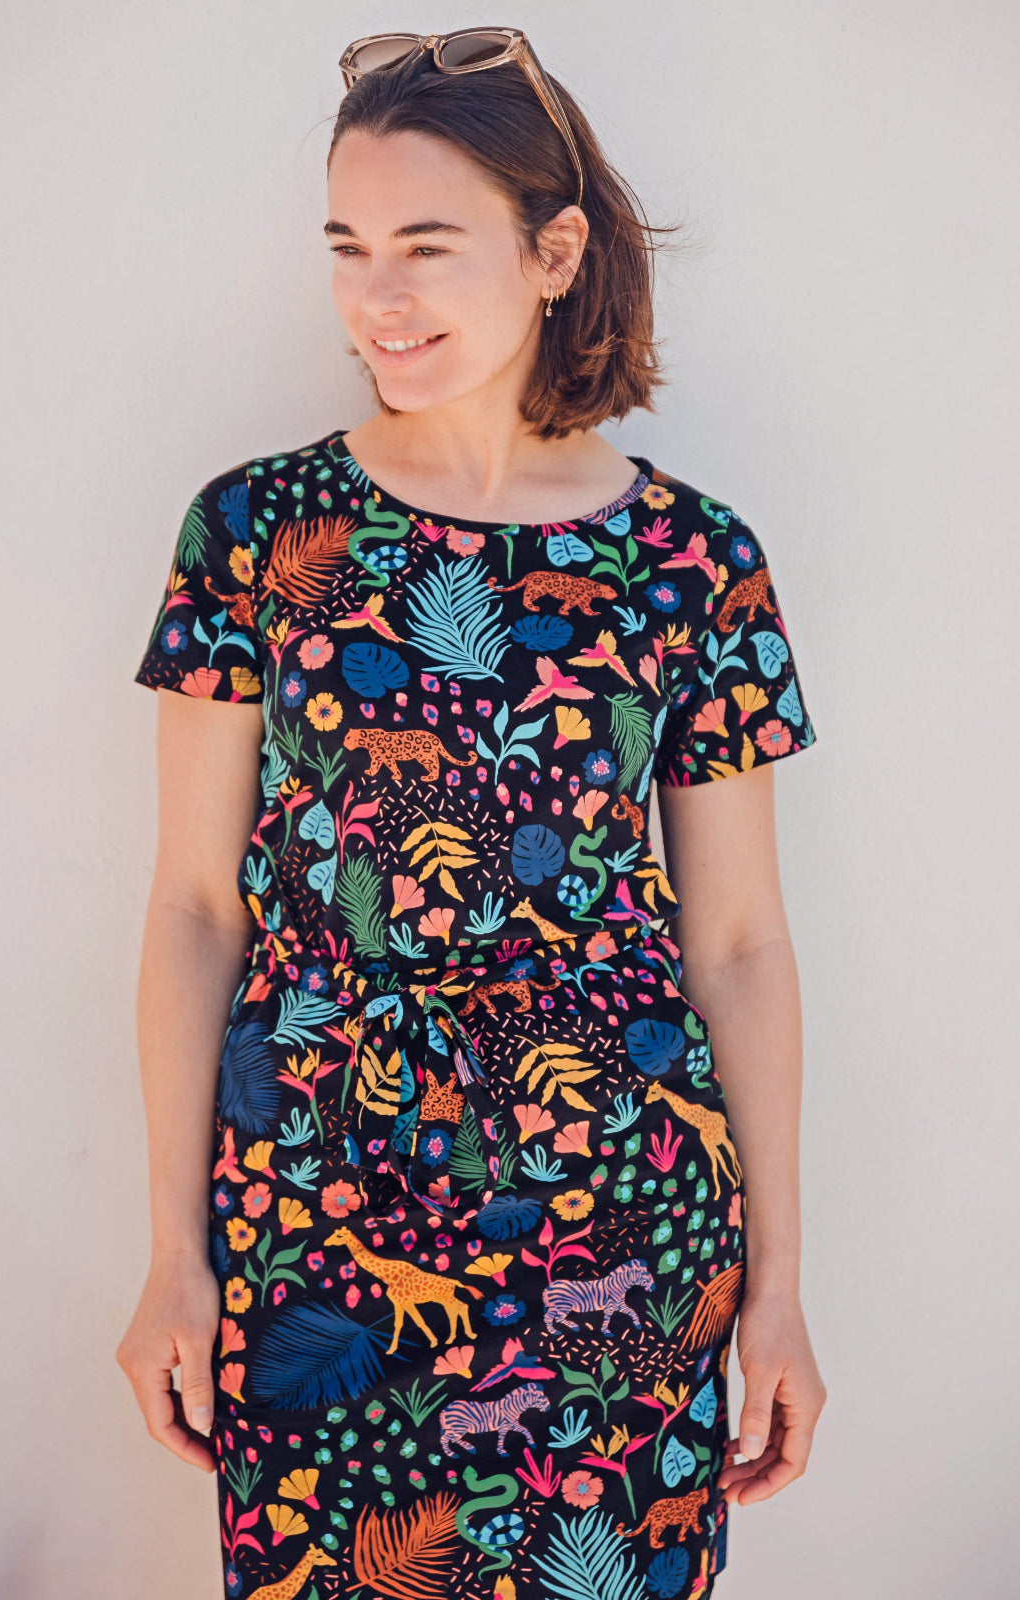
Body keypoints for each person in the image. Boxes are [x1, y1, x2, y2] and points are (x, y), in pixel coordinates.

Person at [117, 29, 826, 1600]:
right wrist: (176, 1253)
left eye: (425, 249)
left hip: (622, 1226)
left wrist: (778, 1288)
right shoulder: (256, 534)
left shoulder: (697, 563)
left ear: (553, 250)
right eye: (348, 249)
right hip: (316, 1198)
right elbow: (193, 910)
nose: (378, 298)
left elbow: (740, 943)